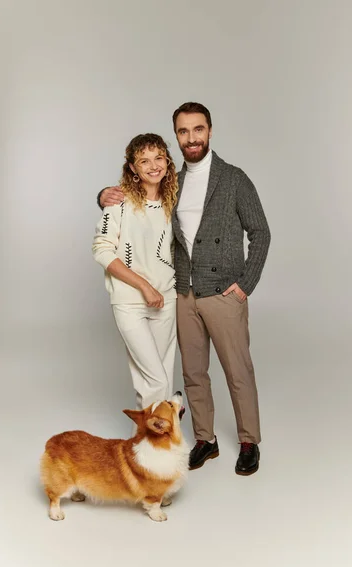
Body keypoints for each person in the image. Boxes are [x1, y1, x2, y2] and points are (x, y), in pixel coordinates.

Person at [98, 102, 271, 476]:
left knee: (237, 370)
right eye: (183, 131)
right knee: (193, 372)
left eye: (198, 129)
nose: (191, 138)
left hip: (225, 292)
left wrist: (245, 285)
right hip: (184, 293)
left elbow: (261, 232)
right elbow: (136, 199)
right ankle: (205, 439)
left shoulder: (233, 178)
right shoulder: (173, 181)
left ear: (210, 131)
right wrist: (103, 195)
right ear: (176, 136)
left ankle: (248, 442)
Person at [92, 133, 178, 410]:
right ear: (132, 168)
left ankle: (146, 446)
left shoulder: (173, 200)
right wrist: (143, 286)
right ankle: (155, 443)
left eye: (158, 158)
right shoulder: (118, 201)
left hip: (167, 298)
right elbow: (102, 249)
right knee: (155, 379)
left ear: (167, 160)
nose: (154, 166)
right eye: (144, 161)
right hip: (130, 301)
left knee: (156, 378)